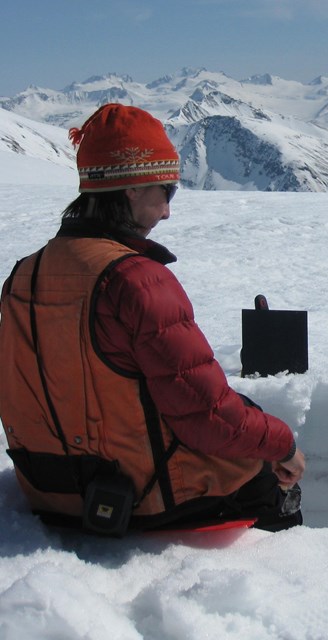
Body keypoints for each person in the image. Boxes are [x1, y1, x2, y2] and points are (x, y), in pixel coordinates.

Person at [0, 103, 305, 534]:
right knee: (268, 472)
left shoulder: (23, 275)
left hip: (50, 494)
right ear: (132, 190)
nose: (167, 211)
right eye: (166, 191)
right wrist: (282, 443)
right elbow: (207, 416)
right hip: (146, 500)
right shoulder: (136, 280)